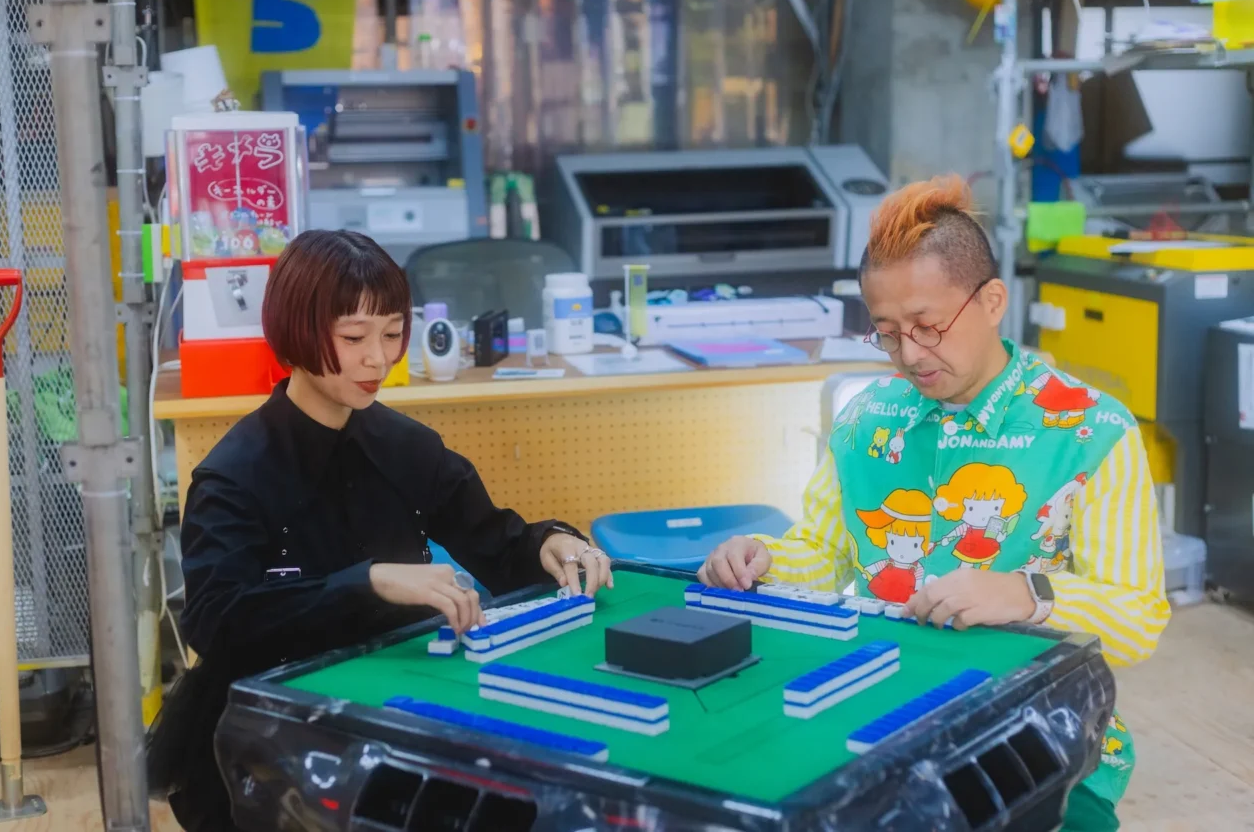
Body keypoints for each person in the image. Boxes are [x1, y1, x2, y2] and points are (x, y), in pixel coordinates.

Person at [698, 176, 1169, 830]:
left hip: (1032, 733)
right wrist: (763, 560)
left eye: (928, 327)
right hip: (876, 713)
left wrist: (1027, 593)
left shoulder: (1091, 432)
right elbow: (825, 553)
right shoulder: (868, 420)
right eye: (888, 333)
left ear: (992, 300)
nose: (911, 355)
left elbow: (1139, 616)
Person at [148, 230, 613, 832]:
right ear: (295, 332)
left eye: (393, 334)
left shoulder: (408, 449)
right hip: (268, 742)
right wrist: (368, 582)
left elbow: (499, 547)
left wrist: (553, 541)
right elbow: (218, 622)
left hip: (397, 712)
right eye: (353, 338)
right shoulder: (234, 477)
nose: (378, 358)